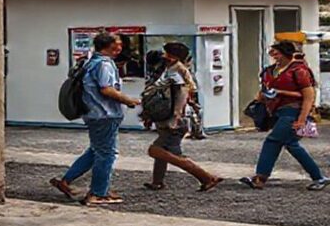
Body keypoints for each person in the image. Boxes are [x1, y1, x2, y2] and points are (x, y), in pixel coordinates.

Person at [50, 33, 141, 206]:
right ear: (109, 46)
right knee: (106, 154)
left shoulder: (90, 61)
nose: (120, 48)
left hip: (94, 113)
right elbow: (106, 89)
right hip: (104, 114)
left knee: (95, 151)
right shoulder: (104, 64)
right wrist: (128, 100)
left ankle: (66, 180)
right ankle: (98, 193)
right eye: (117, 44)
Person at [240, 40, 329, 191]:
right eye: (272, 53)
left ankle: (260, 178)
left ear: (286, 53)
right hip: (278, 112)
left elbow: (308, 96)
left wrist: (301, 120)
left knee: (273, 141)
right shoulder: (271, 71)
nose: (274, 55)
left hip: (293, 111)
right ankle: (318, 177)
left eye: (277, 53)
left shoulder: (299, 70)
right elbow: (265, 89)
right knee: (290, 144)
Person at [143, 42, 222, 191]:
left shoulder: (176, 71)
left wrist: (176, 116)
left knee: (161, 151)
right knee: (163, 150)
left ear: (173, 56)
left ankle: (206, 177)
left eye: (166, 53)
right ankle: (157, 181)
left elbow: (182, 93)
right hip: (170, 118)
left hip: (175, 120)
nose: (163, 55)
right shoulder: (171, 69)